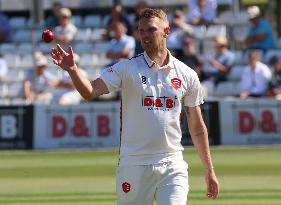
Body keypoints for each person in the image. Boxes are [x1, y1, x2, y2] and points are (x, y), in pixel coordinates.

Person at [51, 8, 219, 205]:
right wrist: (73, 70)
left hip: (172, 163)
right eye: (141, 31)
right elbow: (90, 91)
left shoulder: (187, 74)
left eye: (151, 30)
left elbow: (197, 127)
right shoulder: (127, 68)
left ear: (167, 31)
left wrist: (209, 170)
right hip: (133, 164)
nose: (145, 36)